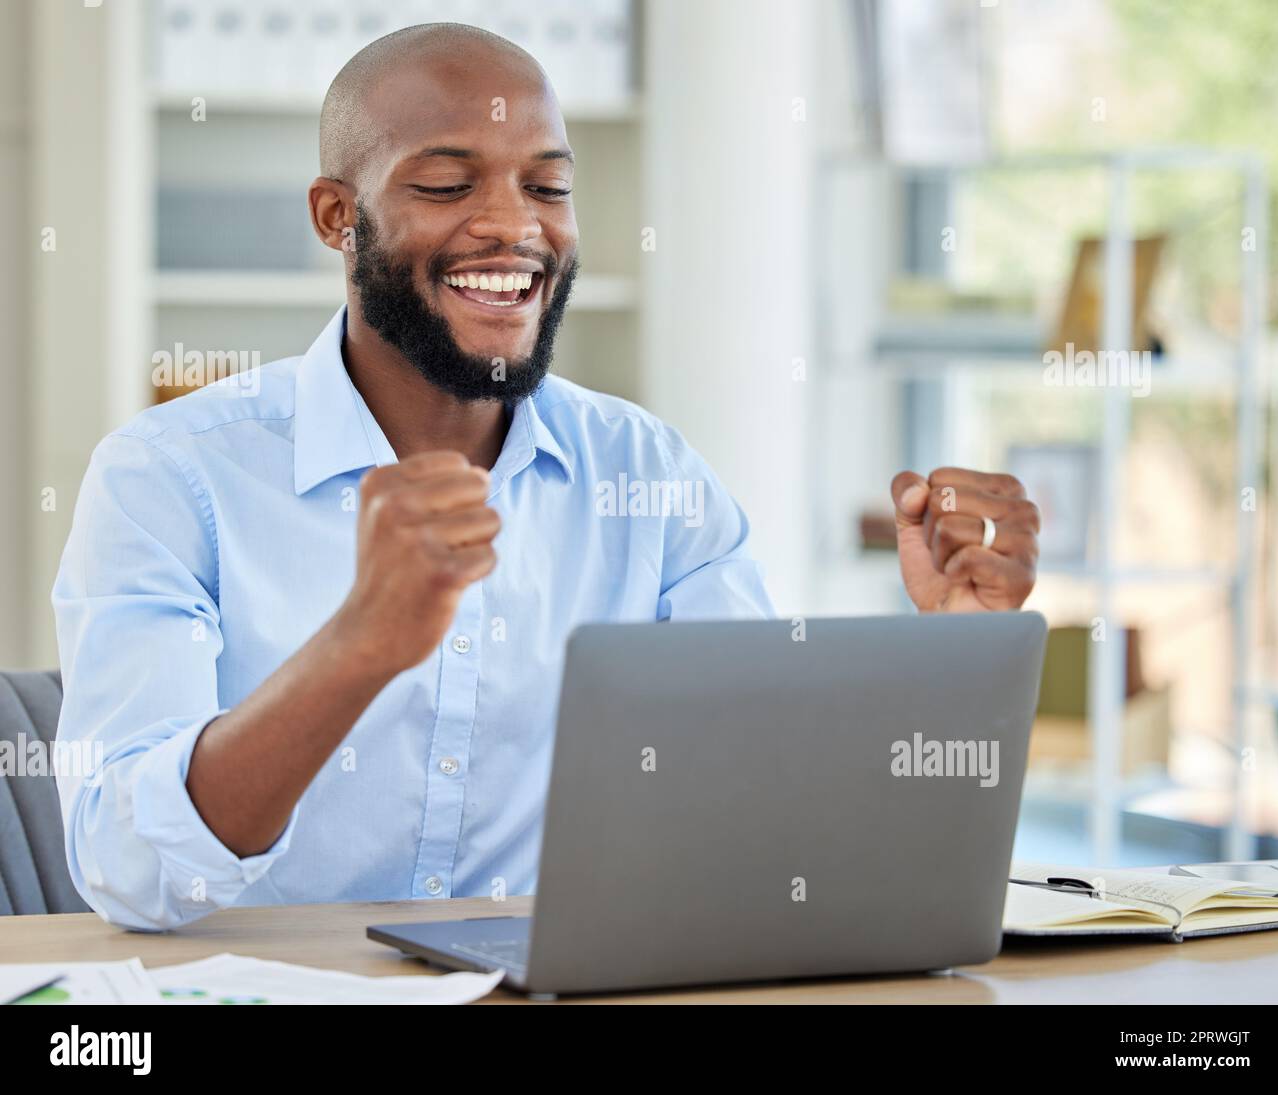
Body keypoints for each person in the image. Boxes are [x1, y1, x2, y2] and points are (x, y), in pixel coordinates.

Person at [53, 24, 1041, 931]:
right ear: (337, 218)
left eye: (548, 186)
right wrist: (360, 646)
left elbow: (771, 822)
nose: (511, 227)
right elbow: (130, 870)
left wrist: (955, 658)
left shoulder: (648, 477)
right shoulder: (169, 479)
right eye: (446, 185)